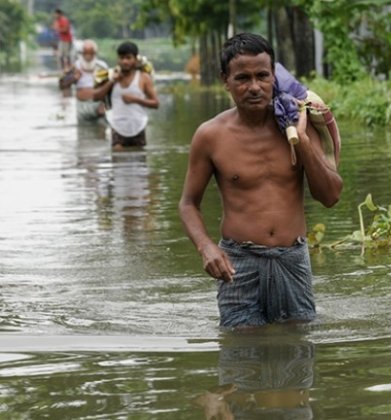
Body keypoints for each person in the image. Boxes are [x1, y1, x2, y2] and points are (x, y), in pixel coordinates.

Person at [178, 33, 343, 329]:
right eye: (242, 78)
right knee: (241, 354)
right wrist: (206, 248)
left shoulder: (299, 123)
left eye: (262, 76)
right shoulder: (210, 135)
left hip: (293, 260)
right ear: (225, 80)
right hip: (238, 263)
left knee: (297, 350)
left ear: (273, 75)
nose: (254, 87)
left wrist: (301, 140)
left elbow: (330, 196)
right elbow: (189, 203)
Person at [94, 41, 159, 151]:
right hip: (117, 127)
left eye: (128, 58)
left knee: (140, 161)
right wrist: (112, 81)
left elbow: (156, 103)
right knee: (118, 158)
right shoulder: (111, 76)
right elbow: (96, 97)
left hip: (138, 126)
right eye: (122, 58)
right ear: (118, 59)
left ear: (135, 59)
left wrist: (135, 100)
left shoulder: (144, 78)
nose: (125, 61)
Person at [71, 40, 109, 123]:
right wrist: (73, 78)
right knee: (83, 132)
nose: (88, 56)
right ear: (82, 54)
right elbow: (63, 85)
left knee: (100, 131)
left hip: (98, 106)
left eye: (90, 53)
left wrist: (103, 104)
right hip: (82, 106)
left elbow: (108, 88)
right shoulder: (76, 66)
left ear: (94, 54)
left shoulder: (101, 66)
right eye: (86, 53)